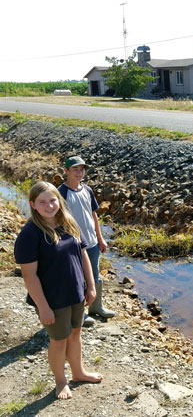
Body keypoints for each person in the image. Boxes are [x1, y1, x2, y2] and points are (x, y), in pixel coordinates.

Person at [14, 181, 102, 399]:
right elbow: (29, 275)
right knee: (58, 340)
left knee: (76, 333)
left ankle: (78, 372)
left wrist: (91, 286)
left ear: (59, 201)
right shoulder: (30, 234)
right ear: (33, 204)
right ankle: (60, 382)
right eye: (42, 202)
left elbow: (83, 256)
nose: (49, 206)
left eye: (52, 200)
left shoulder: (68, 223)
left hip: (76, 292)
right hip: (53, 298)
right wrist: (43, 307)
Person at [58, 156, 115, 322]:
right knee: (77, 277)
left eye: (82, 169)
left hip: (92, 242)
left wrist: (100, 238)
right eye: (75, 169)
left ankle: (96, 307)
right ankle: (79, 313)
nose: (79, 172)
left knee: (94, 275)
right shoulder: (61, 192)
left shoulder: (87, 190)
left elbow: (93, 215)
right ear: (66, 171)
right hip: (73, 244)